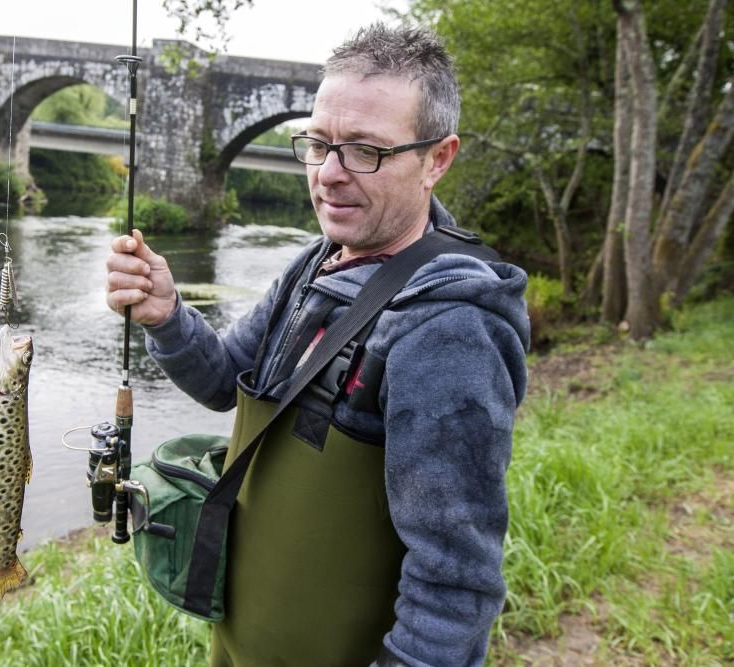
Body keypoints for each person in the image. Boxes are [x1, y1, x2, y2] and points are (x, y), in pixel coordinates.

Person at [105, 22, 530, 667]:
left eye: (365, 150)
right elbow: (226, 382)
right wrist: (167, 315)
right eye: (320, 144)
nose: (330, 174)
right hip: (244, 642)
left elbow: (455, 581)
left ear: (437, 159)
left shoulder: (448, 330)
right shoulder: (318, 263)